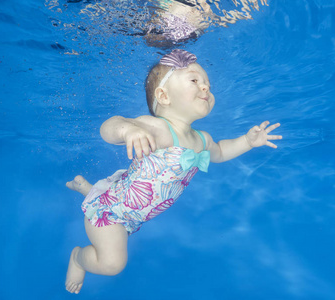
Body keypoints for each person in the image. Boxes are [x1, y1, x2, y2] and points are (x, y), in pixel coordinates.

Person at [65, 49, 282, 294]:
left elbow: (220, 152)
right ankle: (78, 258)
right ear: (163, 96)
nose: (205, 88)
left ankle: (87, 189)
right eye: (195, 81)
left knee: (117, 209)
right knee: (113, 264)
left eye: (208, 85)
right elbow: (109, 127)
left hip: (133, 214)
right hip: (111, 216)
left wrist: (247, 141)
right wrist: (128, 130)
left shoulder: (202, 139)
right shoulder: (159, 128)